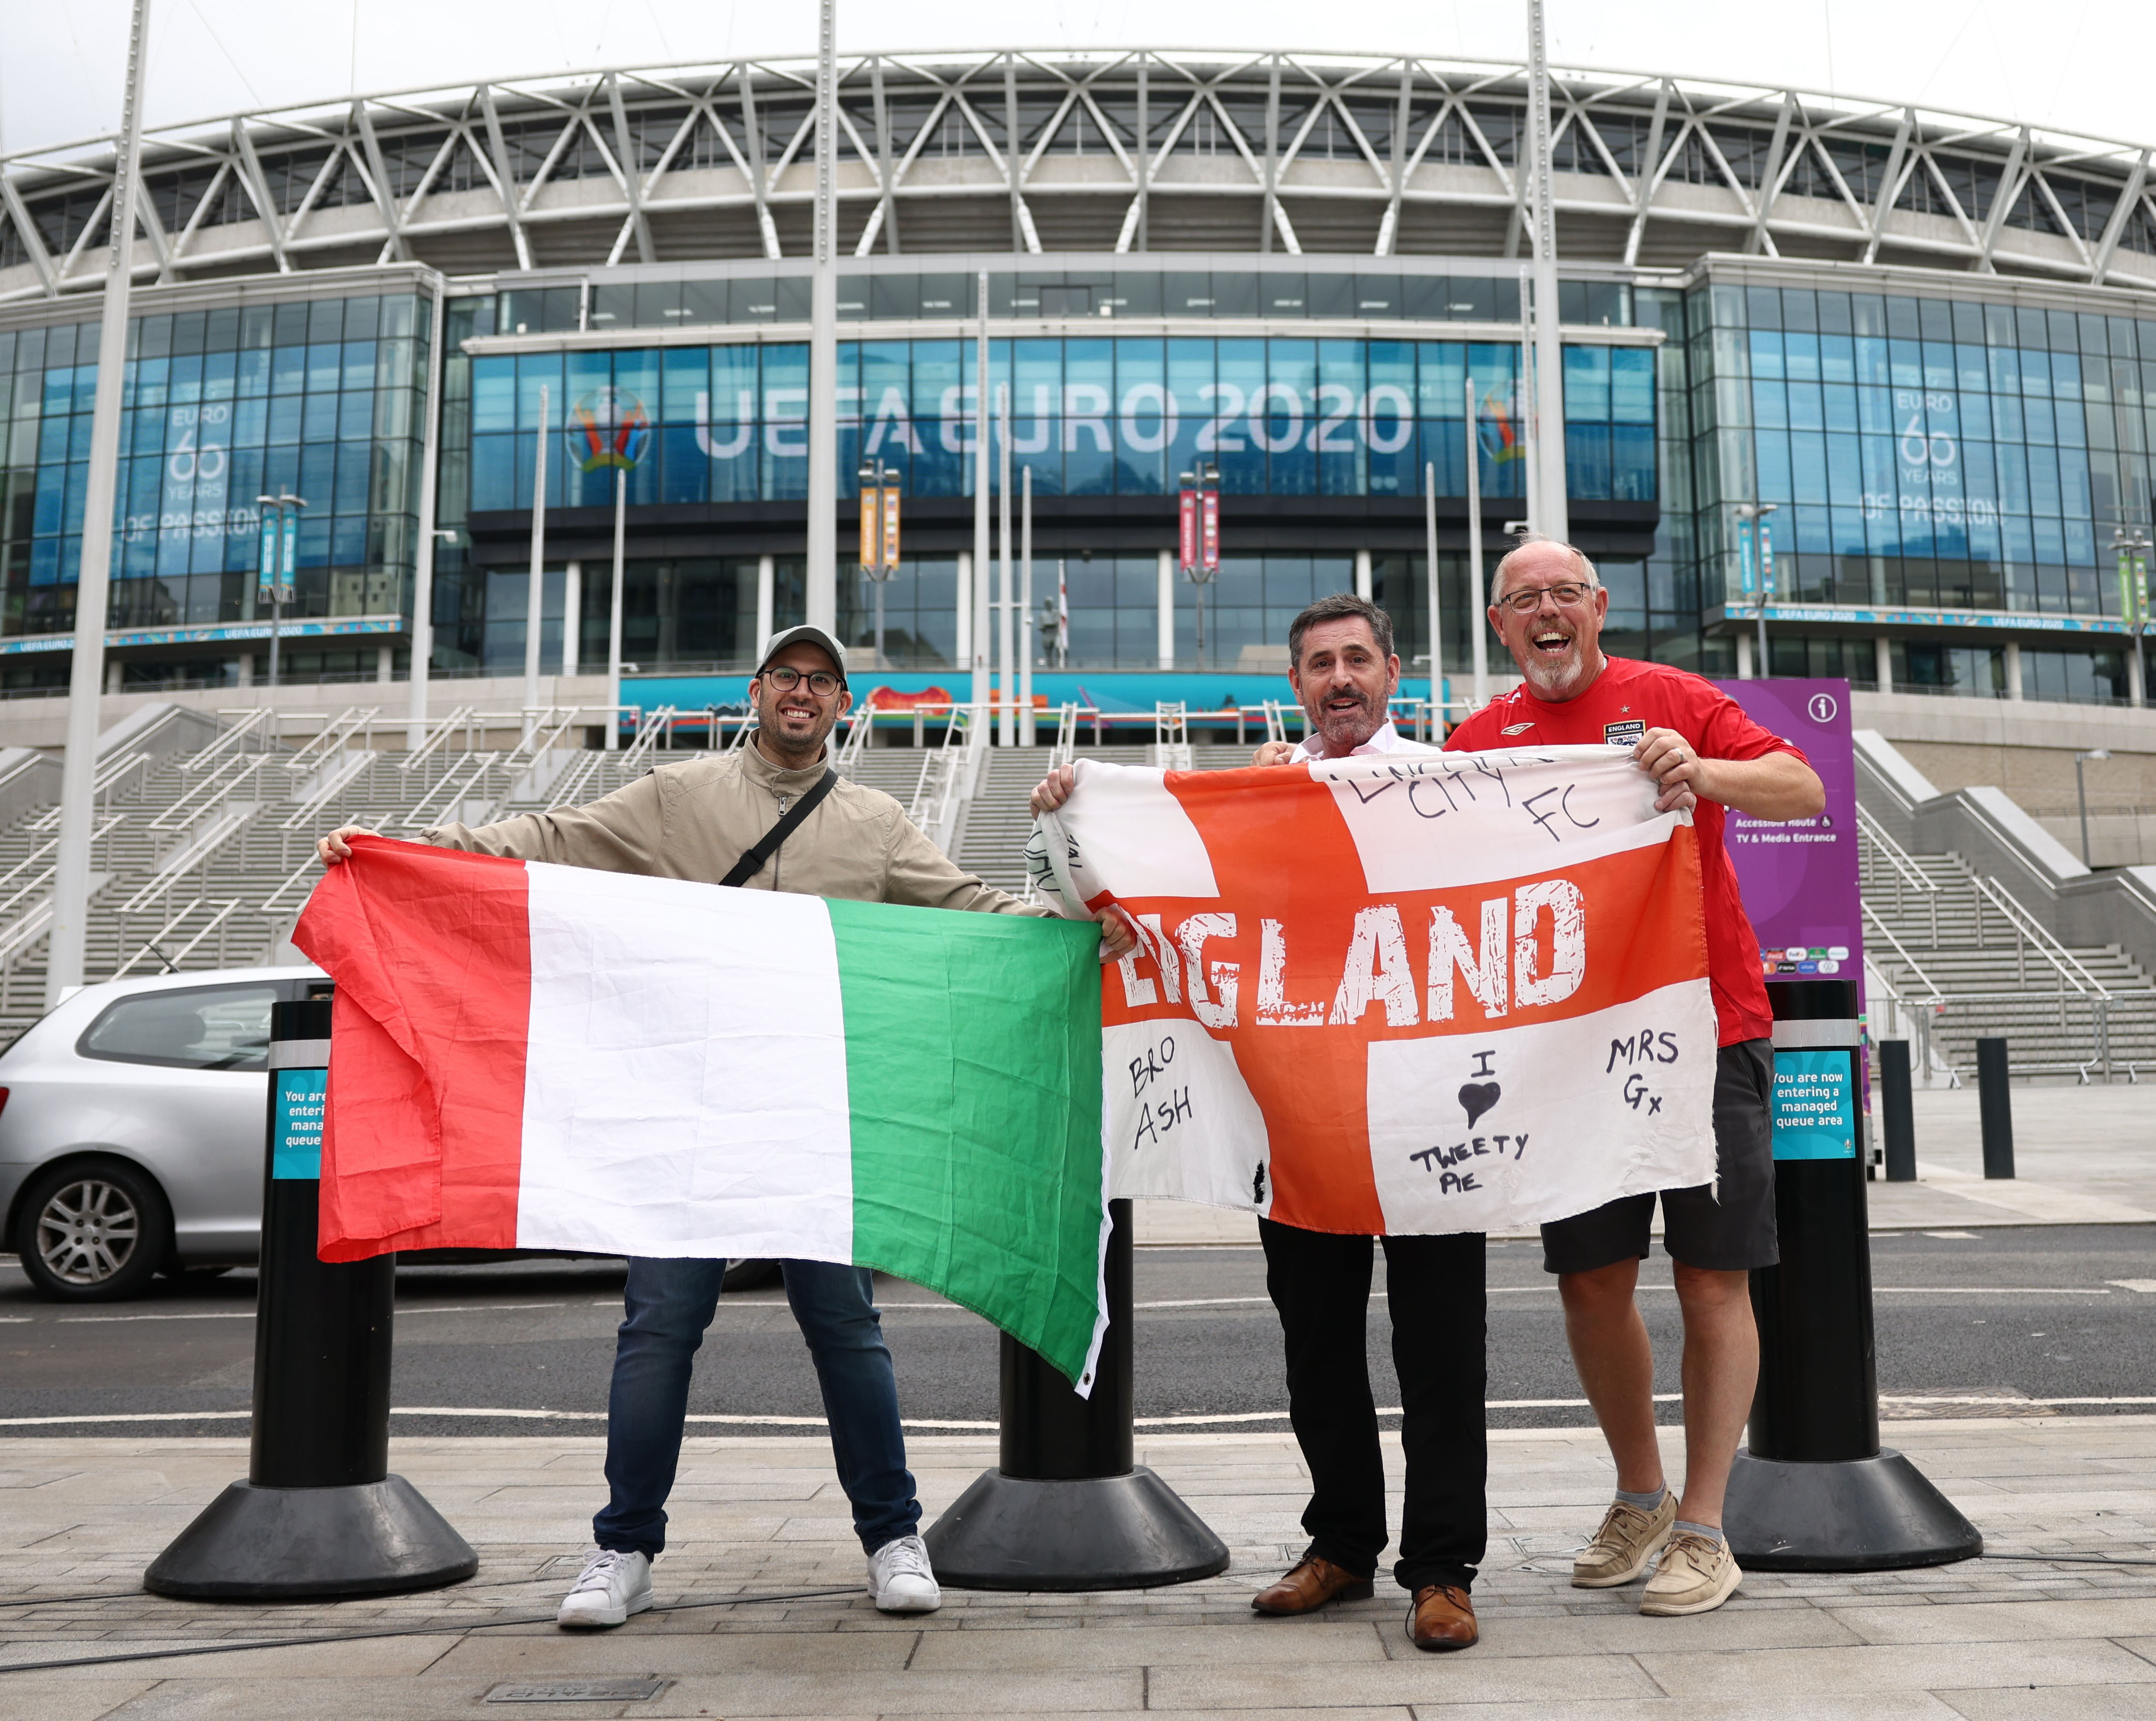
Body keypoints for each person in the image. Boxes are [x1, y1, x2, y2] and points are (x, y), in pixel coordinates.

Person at [317, 625, 1086, 1629]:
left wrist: (1063, 916)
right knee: (660, 1328)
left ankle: (892, 1537)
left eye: (822, 682)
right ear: (756, 691)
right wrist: (403, 852)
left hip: (813, 1114)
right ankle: (622, 1548)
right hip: (688, 1106)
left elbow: (970, 911)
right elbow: (550, 841)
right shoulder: (677, 797)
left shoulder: (876, 820)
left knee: (846, 1327)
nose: (802, 694)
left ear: (842, 706)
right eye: (787, 678)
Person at [1040, 595, 1485, 1652]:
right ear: (1295, 686)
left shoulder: (1453, 786)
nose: (1339, 679)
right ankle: (1341, 1543)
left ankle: (1442, 1570)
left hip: (1427, 1113)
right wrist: (1074, 813)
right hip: (1298, 1116)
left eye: (1356, 660)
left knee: (1441, 1353)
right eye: (1318, 665)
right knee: (1316, 1347)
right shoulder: (1260, 795)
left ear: (1392, 671)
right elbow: (1138, 890)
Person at [1444, 539, 1825, 1620]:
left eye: (1565, 593)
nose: (1547, 611)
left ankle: (1706, 1529)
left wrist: (1700, 771)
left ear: (1598, 607)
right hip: (1569, 1054)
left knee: (1712, 1281)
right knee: (1590, 1282)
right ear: (1500, 624)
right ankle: (1640, 1497)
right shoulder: (1483, 738)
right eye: (1526, 599)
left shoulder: (1672, 699)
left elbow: (1799, 781)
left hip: (1707, 1030)